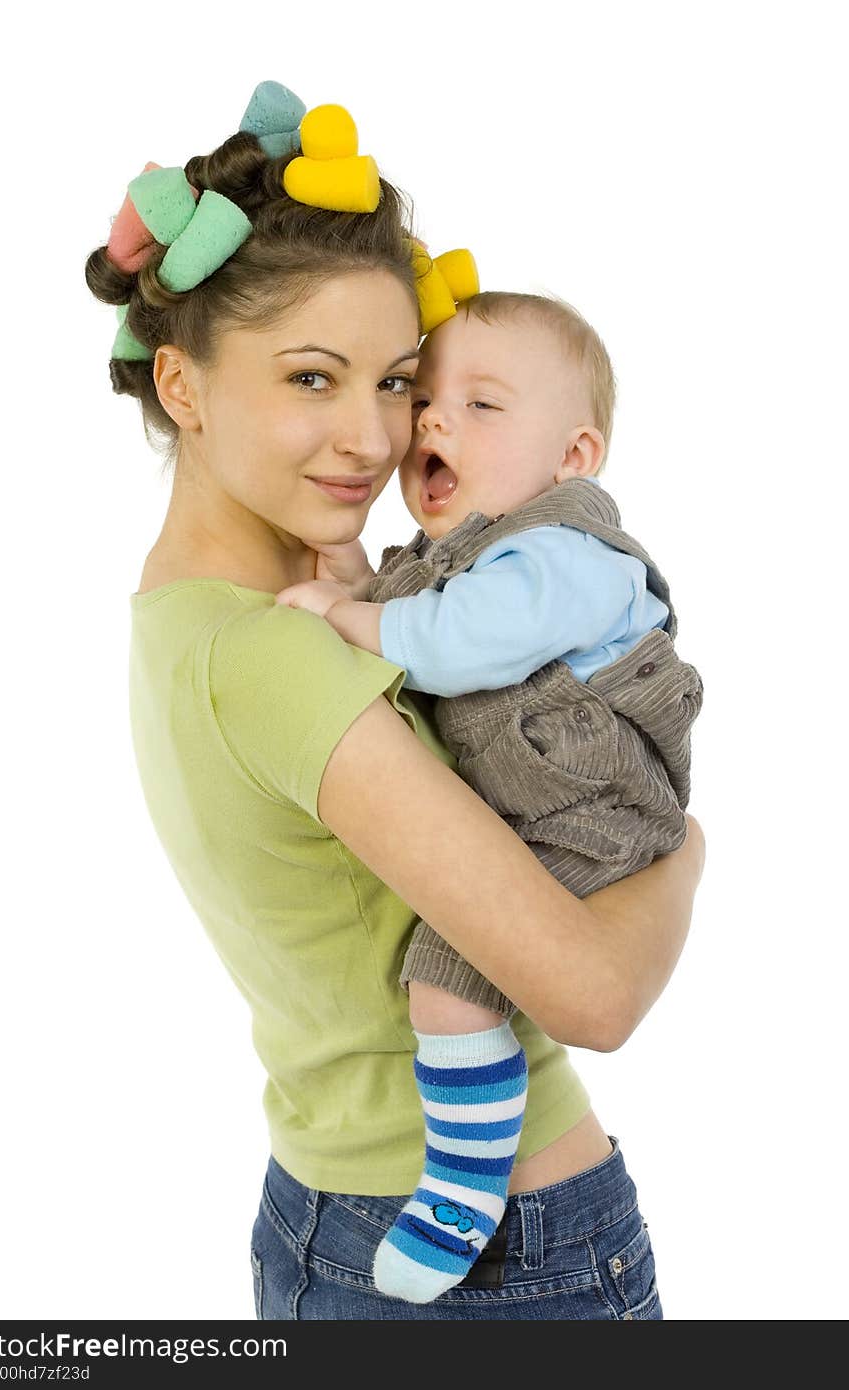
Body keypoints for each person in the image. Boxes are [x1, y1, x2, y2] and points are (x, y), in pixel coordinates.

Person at [85, 83, 705, 1320]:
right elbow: (597, 995)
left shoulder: (184, 614)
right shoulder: (282, 652)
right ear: (183, 385)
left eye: (395, 383)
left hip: (322, 1206)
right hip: (501, 1258)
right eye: (312, 378)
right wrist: (686, 847)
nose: (374, 438)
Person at [275, 291, 703, 1302]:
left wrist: (345, 612)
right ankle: (463, 1177)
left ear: (573, 456)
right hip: (537, 808)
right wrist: (352, 582)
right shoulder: (469, 557)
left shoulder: (567, 554)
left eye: (481, 405)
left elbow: (461, 641)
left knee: (448, 983)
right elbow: (427, 610)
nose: (433, 420)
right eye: (424, 399)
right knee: (445, 979)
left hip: (598, 809)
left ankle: (463, 1190)